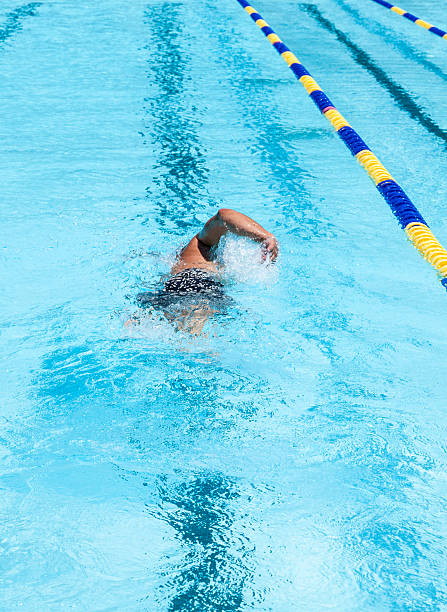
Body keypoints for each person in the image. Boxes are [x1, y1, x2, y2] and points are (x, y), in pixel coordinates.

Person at [132, 209, 278, 333]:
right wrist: (266, 236)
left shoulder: (182, 261)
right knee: (194, 344)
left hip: (171, 292)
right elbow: (223, 216)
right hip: (195, 284)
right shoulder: (199, 245)